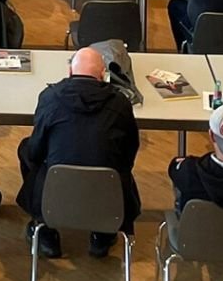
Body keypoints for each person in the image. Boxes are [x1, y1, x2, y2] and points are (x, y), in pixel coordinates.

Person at [17, 47, 140, 258]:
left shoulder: (50, 98)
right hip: (108, 196)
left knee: (26, 149)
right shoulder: (120, 104)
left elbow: (36, 150)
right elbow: (130, 150)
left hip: (56, 191)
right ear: (103, 75)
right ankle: (103, 235)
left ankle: (46, 231)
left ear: (70, 72)